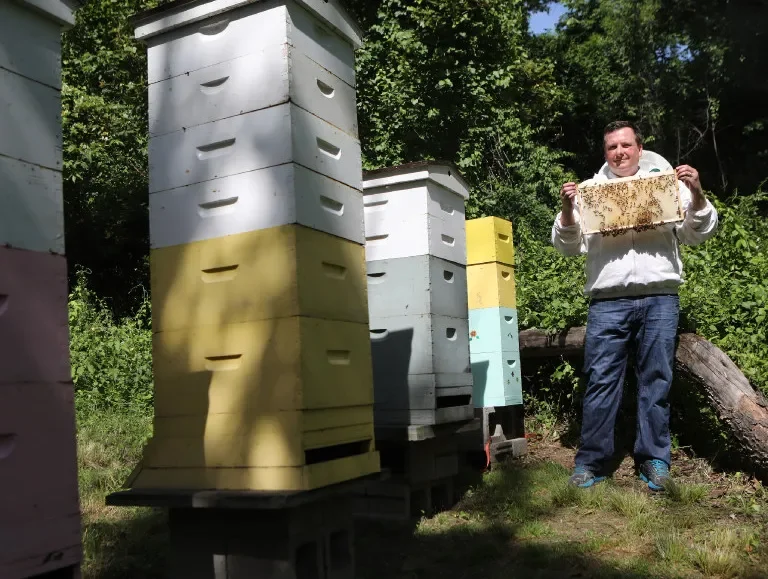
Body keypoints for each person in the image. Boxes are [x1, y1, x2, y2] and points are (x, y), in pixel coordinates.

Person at [552, 120, 719, 491]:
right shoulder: (589, 191)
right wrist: (567, 207)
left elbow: (699, 232)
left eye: (626, 145)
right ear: (605, 153)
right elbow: (566, 244)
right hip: (607, 301)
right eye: (612, 147)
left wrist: (698, 192)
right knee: (600, 382)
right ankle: (591, 462)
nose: (619, 152)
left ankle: (654, 459)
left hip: (660, 297)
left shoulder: (668, 184)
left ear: (639, 149)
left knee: (656, 381)